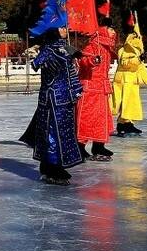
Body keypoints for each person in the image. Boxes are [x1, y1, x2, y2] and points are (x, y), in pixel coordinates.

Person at [21, 27, 84, 184]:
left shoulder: (63, 48)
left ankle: (53, 166)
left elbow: (71, 72)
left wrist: (77, 90)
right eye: (61, 28)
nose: (65, 29)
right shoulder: (50, 50)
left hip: (65, 98)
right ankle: (52, 166)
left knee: (63, 132)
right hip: (52, 100)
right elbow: (36, 63)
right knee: (53, 134)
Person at [76, 19, 117, 161]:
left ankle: (99, 145)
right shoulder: (93, 46)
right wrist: (93, 61)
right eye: (111, 29)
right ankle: (79, 147)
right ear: (103, 30)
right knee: (87, 119)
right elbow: (82, 61)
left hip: (101, 89)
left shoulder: (106, 48)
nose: (114, 32)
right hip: (90, 90)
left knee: (102, 119)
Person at [113, 31, 147, 135]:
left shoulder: (136, 51)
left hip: (130, 81)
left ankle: (125, 124)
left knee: (130, 104)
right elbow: (124, 63)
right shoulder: (125, 50)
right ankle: (125, 125)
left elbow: (140, 67)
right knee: (126, 104)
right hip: (124, 81)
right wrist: (138, 59)